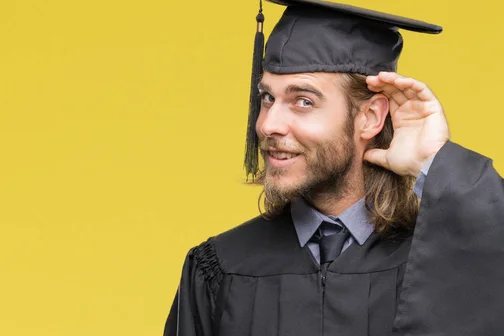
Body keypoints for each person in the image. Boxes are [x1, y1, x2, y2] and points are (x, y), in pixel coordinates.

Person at [163, 0, 504, 335]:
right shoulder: (220, 269)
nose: (268, 125)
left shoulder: (443, 260)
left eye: (303, 101)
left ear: (369, 117)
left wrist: (434, 162)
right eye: (268, 98)